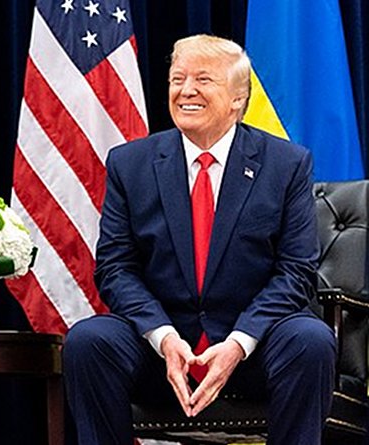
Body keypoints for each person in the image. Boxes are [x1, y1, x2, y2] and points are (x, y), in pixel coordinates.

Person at [63, 35, 335, 444]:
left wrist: (239, 343)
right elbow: (116, 268)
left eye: (203, 80)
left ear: (237, 99)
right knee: (88, 342)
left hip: (254, 350)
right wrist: (163, 337)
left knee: (311, 341)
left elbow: (295, 272)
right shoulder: (130, 163)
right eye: (178, 79)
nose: (186, 90)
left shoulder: (287, 164)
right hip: (160, 352)